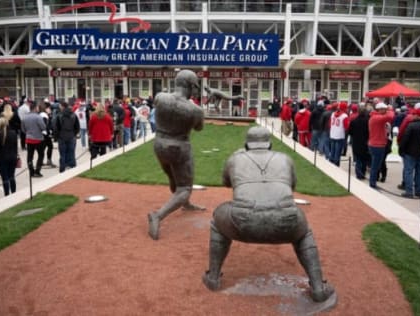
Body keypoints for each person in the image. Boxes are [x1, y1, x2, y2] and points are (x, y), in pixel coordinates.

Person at [202, 126, 335, 303]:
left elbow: (226, 183)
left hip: (243, 221)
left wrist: (239, 160)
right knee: (304, 232)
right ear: (269, 144)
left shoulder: (236, 158)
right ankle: (318, 288)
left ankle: (213, 278)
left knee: (218, 219)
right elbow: (292, 187)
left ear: (247, 145)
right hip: (286, 221)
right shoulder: (285, 158)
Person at [147, 69, 205, 240]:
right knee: (185, 188)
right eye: (194, 87)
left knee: (174, 179)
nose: (195, 90)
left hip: (159, 145)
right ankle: (158, 215)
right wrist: (199, 112)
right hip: (179, 147)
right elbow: (199, 128)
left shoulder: (160, 97)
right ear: (189, 86)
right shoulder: (195, 110)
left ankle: (185, 204)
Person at [399, 108, 420, 198]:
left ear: (416, 115)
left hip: (410, 152)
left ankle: (409, 191)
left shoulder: (411, 125)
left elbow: (405, 139)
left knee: (409, 172)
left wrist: (401, 149)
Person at [368, 102, 394, 188]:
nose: (386, 111)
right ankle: (372, 183)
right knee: (375, 166)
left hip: (376, 144)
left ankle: (373, 182)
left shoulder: (374, 117)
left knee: (376, 165)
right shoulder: (377, 118)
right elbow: (390, 116)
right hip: (377, 145)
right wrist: (390, 109)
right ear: (379, 110)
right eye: (384, 109)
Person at [0, 117, 18, 196]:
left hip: (2, 158)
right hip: (12, 157)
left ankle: (7, 194)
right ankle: (14, 193)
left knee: (5, 177)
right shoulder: (13, 133)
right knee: (11, 176)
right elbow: (15, 146)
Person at [21, 101, 46, 177]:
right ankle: (37, 171)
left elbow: (23, 129)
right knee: (41, 155)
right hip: (38, 139)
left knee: (30, 156)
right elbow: (43, 127)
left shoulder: (24, 118)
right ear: (35, 108)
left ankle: (31, 171)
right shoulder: (38, 117)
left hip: (29, 138)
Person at [54, 101, 79, 173]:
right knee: (71, 152)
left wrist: (56, 137)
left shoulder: (59, 115)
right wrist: (74, 133)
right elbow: (77, 127)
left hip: (62, 136)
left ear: (62, 106)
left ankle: (62, 168)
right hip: (71, 136)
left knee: (62, 153)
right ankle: (72, 167)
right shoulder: (73, 115)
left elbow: (56, 128)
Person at [348, 105, 370, 180]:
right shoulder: (368, 121)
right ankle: (362, 173)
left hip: (356, 141)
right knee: (364, 159)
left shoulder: (354, 121)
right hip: (365, 141)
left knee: (358, 159)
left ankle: (358, 174)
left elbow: (350, 132)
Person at [329, 101, 349, 166]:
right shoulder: (344, 115)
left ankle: (331, 162)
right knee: (338, 152)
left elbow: (330, 124)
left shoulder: (333, 113)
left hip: (333, 134)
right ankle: (336, 165)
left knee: (332, 150)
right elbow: (346, 127)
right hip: (340, 135)